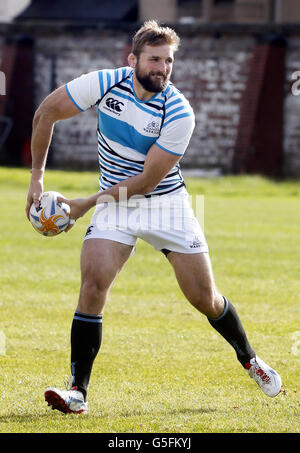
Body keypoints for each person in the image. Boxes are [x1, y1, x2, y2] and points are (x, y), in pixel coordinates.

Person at [26, 20, 281, 414]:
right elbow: (46, 113)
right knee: (93, 283)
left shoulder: (180, 112)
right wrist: (37, 180)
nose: (162, 67)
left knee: (206, 299)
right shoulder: (105, 83)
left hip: (166, 205)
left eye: (169, 61)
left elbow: (145, 181)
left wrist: (83, 203)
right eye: (155, 59)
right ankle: (77, 391)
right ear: (133, 60)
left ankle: (249, 358)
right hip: (115, 205)